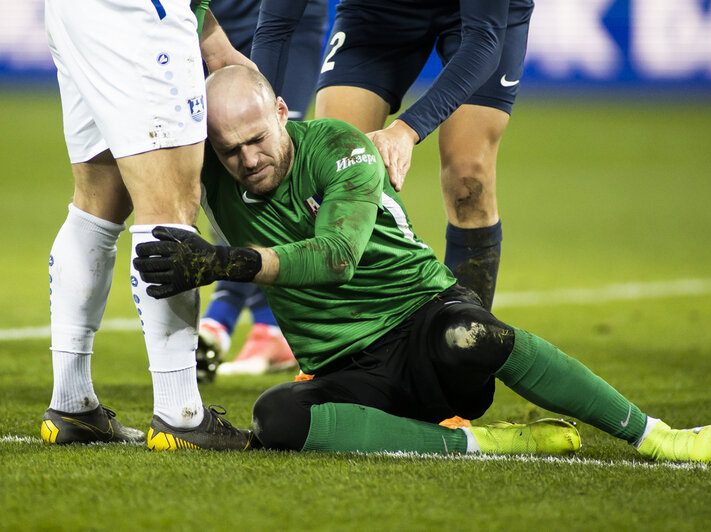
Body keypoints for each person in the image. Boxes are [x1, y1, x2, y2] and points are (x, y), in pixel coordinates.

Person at [133, 66, 711, 462]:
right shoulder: (208, 170)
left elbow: (336, 256)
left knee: (472, 335)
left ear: (283, 111)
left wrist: (221, 262)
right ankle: (479, 443)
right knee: (276, 419)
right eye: (230, 150)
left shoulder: (341, 148)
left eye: (258, 138)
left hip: (424, 324)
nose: (248, 159)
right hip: (347, 369)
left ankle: (654, 435)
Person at [41, 0, 254, 450]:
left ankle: (71, 405)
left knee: (97, 203)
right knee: (171, 208)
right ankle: (181, 414)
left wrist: (208, 33)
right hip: (140, 14)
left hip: (74, 12)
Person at [252, 0, 530, 312]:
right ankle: (346, 341)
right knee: (330, 171)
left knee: (468, 176)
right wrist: (257, 125)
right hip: (378, 10)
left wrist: (406, 131)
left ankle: (467, 333)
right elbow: (275, 27)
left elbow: (483, 42)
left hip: (478, 23)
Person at [193, 0, 328, 379]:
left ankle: (256, 324)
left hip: (284, 25)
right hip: (206, 26)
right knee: (222, 173)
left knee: (268, 172)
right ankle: (247, 324)